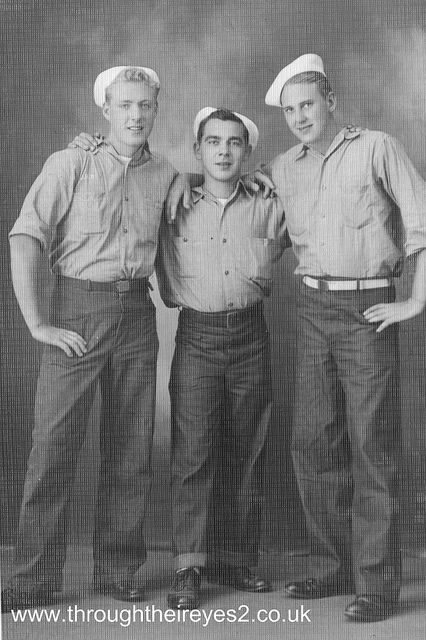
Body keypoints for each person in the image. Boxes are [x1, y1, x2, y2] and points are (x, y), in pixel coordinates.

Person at [1, 66, 178, 613]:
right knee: (53, 448)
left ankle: (119, 570)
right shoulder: (71, 161)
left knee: (130, 450)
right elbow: (26, 235)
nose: (135, 115)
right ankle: (34, 578)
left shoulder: (166, 173)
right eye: (125, 105)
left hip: (136, 315)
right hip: (78, 311)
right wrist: (37, 323)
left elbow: (187, 225)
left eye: (145, 105)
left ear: (155, 108)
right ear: (106, 109)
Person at [260, 53, 426, 622]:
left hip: (366, 308)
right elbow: (264, 223)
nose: (300, 116)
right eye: (290, 110)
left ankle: (376, 584)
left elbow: (420, 214)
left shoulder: (377, 147)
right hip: (308, 308)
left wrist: (415, 298)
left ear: (330, 100)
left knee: (372, 446)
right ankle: (334, 565)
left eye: (307, 104)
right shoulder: (285, 166)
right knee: (312, 442)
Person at [154, 107, 290, 609]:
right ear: (198, 151)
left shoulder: (270, 202)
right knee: (193, 453)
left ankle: (236, 557)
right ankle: (188, 566)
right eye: (214, 142)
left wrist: (268, 176)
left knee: (247, 450)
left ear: (247, 152)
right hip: (198, 337)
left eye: (234, 143)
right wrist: (177, 181)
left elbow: (310, 186)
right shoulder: (173, 204)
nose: (224, 152)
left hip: (252, 336)